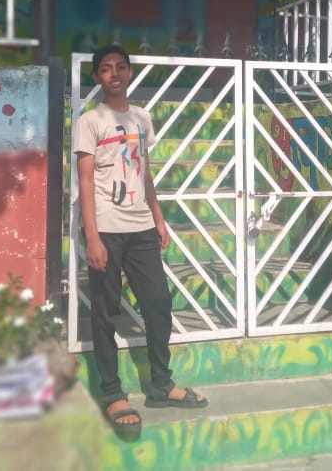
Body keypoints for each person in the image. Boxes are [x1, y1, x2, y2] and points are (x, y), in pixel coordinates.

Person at [73, 44, 207, 439]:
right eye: (105, 68)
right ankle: (112, 393)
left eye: (120, 67)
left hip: (142, 227)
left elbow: (144, 171)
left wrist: (158, 216)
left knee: (158, 304)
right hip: (107, 229)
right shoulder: (89, 121)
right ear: (97, 77)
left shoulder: (141, 117)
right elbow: (84, 181)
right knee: (105, 310)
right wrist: (93, 237)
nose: (114, 74)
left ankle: (160, 385)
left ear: (130, 72)